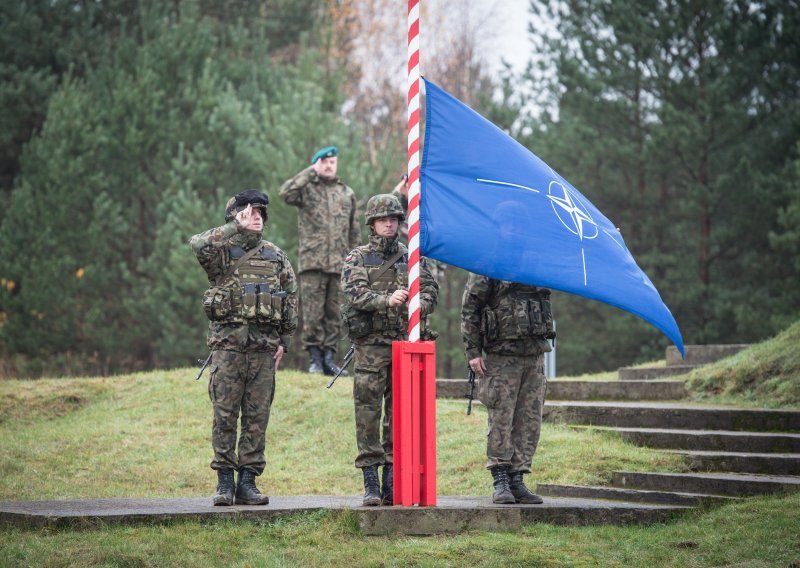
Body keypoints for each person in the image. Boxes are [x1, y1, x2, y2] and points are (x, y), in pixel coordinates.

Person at [190, 189, 297, 507]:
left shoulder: (275, 256)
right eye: (250, 212)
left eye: (261, 213)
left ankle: (247, 482)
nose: (257, 217)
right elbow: (197, 243)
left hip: (263, 351)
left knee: (256, 417)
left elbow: (289, 296)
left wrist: (285, 342)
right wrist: (235, 226)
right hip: (229, 350)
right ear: (235, 216)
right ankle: (224, 482)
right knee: (224, 416)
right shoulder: (221, 253)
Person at [340, 194, 438, 506]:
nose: (389, 224)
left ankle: (392, 482)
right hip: (371, 347)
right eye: (383, 219)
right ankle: (370, 481)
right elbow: (355, 294)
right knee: (367, 412)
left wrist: (417, 304)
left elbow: (430, 289)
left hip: (403, 345)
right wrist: (386, 300)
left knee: (400, 414)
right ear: (372, 222)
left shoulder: (412, 256)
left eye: (394, 219)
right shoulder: (357, 257)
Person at [460, 274, 554, 505]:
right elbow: (470, 309)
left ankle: (517, 479)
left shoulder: (537, 262)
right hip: (502, 356)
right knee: (501, 418)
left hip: (534, 355)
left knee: (530, 420)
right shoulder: (489, 263)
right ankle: (500, 478)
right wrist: (473, 352)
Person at [279, 146, 359, 376]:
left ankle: (329, 359)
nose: (328, 166)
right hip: (313, 262)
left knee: (334, 314)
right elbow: (285, 193)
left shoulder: (346, 194)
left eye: (332, 162)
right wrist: (308, 172)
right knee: (313, 314)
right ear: (316, 164)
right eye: (323, 162)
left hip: (339, 264)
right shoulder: (306, 189)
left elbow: (354, 231)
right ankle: (314, 359)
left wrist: (354, 263)